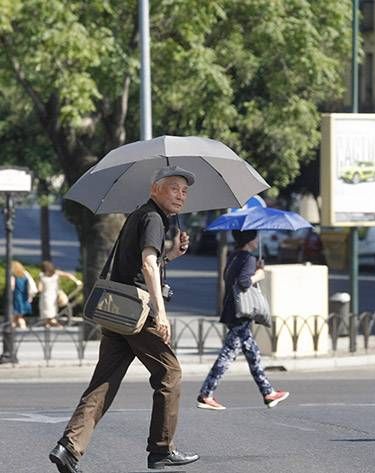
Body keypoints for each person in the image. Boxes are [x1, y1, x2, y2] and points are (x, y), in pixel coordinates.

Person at [49, 166, 200, 473]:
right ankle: (161, 449)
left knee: (103, 383)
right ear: (155, 189)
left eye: (184, 191)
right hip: (138, 314)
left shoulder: (139, 215)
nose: (181, 196)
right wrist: (161, 312)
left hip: (117, 313)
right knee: (170, 374)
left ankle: (69, 447)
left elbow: (141, 260)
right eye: (174, 189)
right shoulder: (154, 218)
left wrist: (170, 255)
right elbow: (146, 265)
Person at [197, 229, 289, 411]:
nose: (257, 240)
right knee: (227, 355)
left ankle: (268, 392)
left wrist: (255, 268)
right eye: (255, 236)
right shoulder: (248, 258)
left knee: (252, 353)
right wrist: (259, 275)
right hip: (241, 313)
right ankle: (206, 394)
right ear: (250, 239)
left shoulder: (234, 256)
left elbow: (230, 277)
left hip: (233, 310)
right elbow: (244, 282)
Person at [38, 261, 82, 327]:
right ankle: (51, 333)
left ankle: (59, 328)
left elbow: (39, 289)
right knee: (49, 319)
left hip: (46, 297)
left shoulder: (42, 275)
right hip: (54, 296)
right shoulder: (56, 273)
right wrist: (77, 281)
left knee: (48, 319)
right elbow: (68, 275)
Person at [10, 261, 37, 329]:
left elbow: (11, 286)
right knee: (16, 317)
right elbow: (32, 286)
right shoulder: (25, 274)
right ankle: (12, 329)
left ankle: (23, 329)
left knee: (19, 317)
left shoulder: (13, 276)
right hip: (24, 298)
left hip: (16, 298)